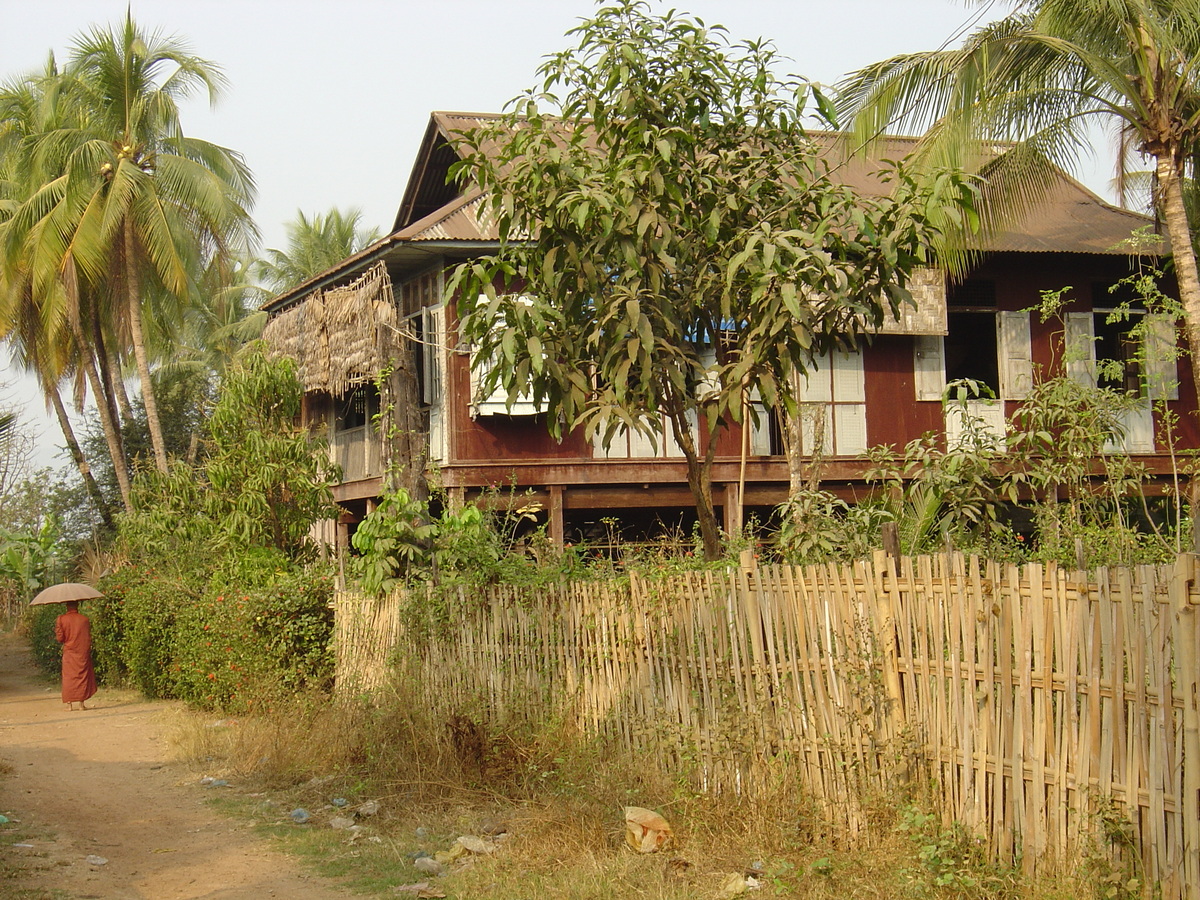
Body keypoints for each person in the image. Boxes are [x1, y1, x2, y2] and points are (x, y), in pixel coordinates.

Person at [54, 600, 97, 711]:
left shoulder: (61, 619)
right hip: (82, 652)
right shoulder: (84, 620)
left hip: (69, 652)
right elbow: (88, 638)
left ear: (67, 606)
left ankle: (69, 705)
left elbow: (60, 638)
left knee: (69, 677)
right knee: (82, 676)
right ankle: (81, 705)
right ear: (77, 606)